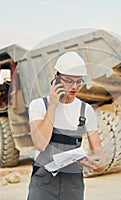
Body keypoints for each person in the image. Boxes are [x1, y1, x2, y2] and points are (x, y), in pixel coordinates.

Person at [27, 51, 105, 200]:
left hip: (73, 182)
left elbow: (99, 154)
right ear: (56, 78)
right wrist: (53, 106)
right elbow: (40, 143)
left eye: (79, 81)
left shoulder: (86, 110)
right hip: (43, 181)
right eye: (68, 81)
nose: (74, 86)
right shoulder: (38, 106)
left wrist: (98, 163)